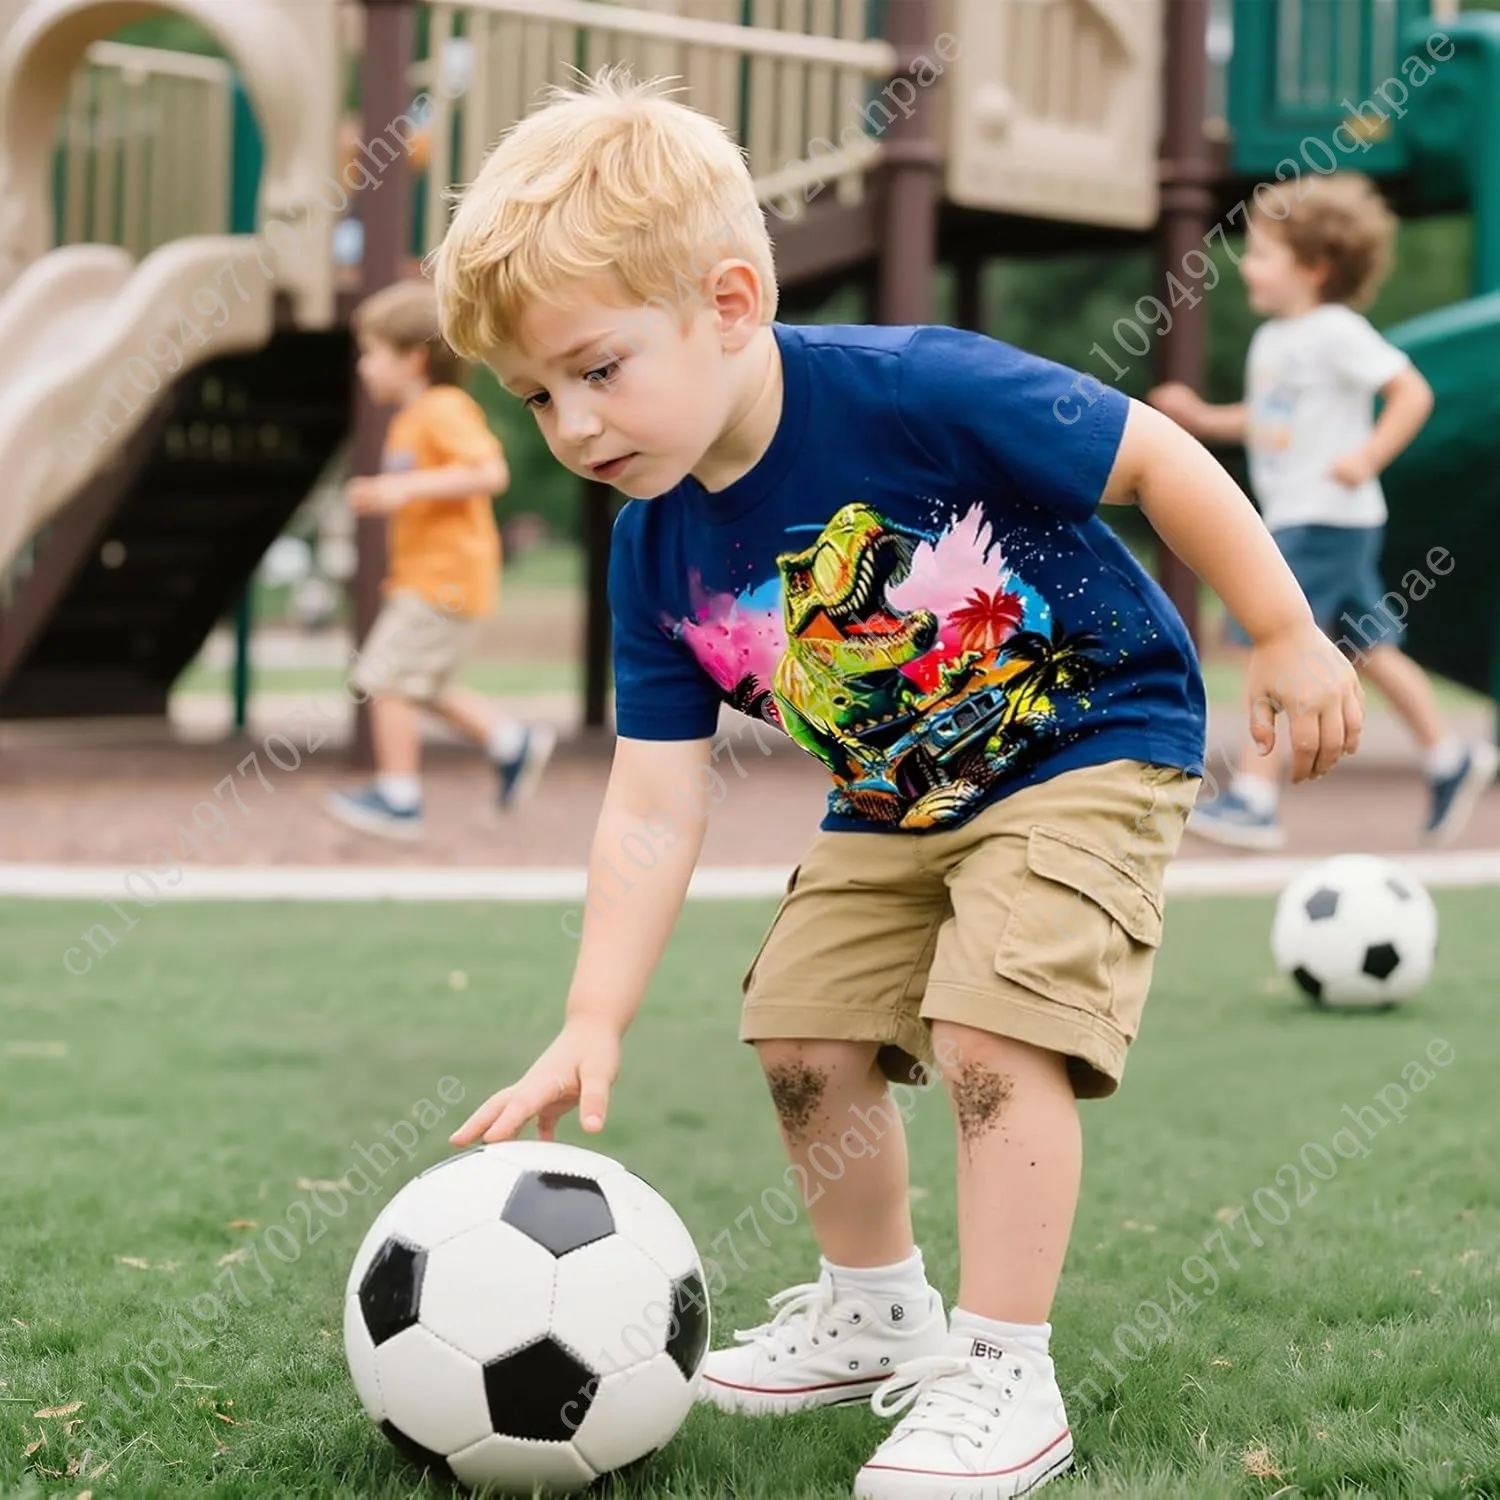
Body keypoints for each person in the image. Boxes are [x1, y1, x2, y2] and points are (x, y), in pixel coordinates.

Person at [433, 70, 1362, 1499]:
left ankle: (1005, 1369)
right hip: (896, 795)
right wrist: (590, 1017)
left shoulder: (916, 387)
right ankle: (876, 1313)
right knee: (801, 1033)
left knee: (992, 1031)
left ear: (731, 303)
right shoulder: (652, 549)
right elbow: (653, 799)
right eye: (536, 395)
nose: (570, 425)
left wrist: (1288, 630)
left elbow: (1159, 457)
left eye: (599, 370)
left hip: (1086, 739)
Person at [1151, 172, 1496, 850]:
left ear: (1313, 267)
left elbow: (1412, 392)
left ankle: (1253, 797)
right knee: (1368, 647)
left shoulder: (1336, 331)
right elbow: (1269, 419)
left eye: (1262, 254)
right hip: (1316, 518)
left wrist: (1367, 456)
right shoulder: (1275, 341)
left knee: (1266, 633)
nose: (1245, 266)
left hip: (1323, 517)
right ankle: (1450, 756)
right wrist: (1201, 418)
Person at [324, 279, 554, 841]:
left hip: (445, 578)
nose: (363, 367)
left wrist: (402, 489)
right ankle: (511, 743)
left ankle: (399, 800)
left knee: (383, 676)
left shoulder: (441, 408)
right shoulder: (409, 419)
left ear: (413, 359)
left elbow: (489, 472)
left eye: (372, 353)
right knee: (420, 685)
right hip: (428, 577)